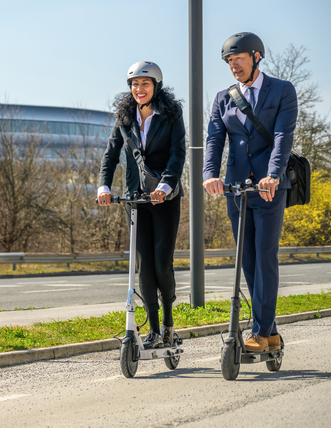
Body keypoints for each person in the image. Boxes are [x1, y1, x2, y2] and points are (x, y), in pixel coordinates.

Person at [203, 32, 298, 352]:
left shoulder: (282, 90)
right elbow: (215, 139)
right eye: (229, 62)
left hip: (270, 189)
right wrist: (209, 175)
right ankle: (269, 332)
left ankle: (259, 332)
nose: (234, 66)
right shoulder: (223, 98)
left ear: (257, 56)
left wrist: (273, 174)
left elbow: (284, 135)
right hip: (236, 187)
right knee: (247, 259)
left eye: (239, 59)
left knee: (265, 257)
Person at [98, 61, 186, 349]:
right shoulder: (124, 117)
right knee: (143, 267)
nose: (139, 89)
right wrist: (104, 186)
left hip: (165, 198)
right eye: (135, 84)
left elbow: (177, 153)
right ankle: (154, 330)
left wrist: (165, 185)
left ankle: (170, 325)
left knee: (162, 264)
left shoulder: (171, 114)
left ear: (156, 86)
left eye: (145, 84)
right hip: (135, 198)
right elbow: (111, 155)